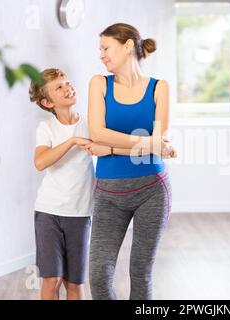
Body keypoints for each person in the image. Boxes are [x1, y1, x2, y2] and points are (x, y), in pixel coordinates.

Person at [87, 23, 176, 300]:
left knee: (140, 271)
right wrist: (149, 143)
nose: (101, 55)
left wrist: (110, 148)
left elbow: (158, 146)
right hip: (109, 193)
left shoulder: (159, 88)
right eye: (100, 49)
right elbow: (96, 133)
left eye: (105, 48)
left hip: (152, 189)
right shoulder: (99, 83)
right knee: (99, 274)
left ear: (127, 46)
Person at [30, 68, 94, 300]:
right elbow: (40, 162)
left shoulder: (90, 122)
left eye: (67, 82)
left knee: (75, 283)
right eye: (59, 87)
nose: (68, 87)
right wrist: (74, 141)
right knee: (52, 279)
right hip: (49, 212)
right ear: (47, 102)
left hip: (80, 213)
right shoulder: (46, 128)